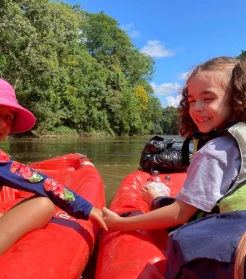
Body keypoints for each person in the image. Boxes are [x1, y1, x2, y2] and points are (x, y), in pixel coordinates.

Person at [0, 75, 107, 279]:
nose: (1, 122)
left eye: (8, 117)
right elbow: (37, 180)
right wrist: (86, 208)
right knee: (43, 204)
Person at [102, 56, 246, 231]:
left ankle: (155, 198)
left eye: (207, 98)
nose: (196, 108)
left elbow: (181, 214)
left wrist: (121, 224)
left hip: (227, 244)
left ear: (236, 99)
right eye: (192, 101)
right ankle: (157, 198)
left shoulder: (214, 153)